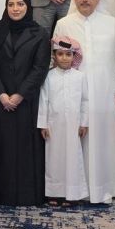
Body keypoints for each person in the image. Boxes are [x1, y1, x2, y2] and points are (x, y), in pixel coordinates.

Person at [53, 0, 115, 204]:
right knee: (75, 139)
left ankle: (104, 188)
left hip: (105, 91)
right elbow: (55, 60)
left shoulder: (112, 23)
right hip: (72, 94)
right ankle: (75, 189)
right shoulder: (63, 24)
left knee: (105, 139)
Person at [0, 0, 51, 206]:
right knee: (3, 147)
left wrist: (20, 94)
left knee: (24, 148)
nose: (15, 9)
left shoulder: (40, 33)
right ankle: (1, 193)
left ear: (28, 7)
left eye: (20, 4)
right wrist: (1, 93)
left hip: (27, 101)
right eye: (11, 4)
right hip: (0, 100)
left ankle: (26, 195)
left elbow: (40, 68)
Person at [38, 36, 89, 207]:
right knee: (54, 159)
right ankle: (54, 193)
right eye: (60, 54)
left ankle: (71, 194)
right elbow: (44, 100)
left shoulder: (80, 77)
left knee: (73, 158)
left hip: (74, 125)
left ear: (74, 56)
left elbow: (85, 101)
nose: (64, 58)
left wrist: (84, 123)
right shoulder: (48, 76)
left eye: (68, 54)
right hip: (53, 125)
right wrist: (43, 124)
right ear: (54, 55)